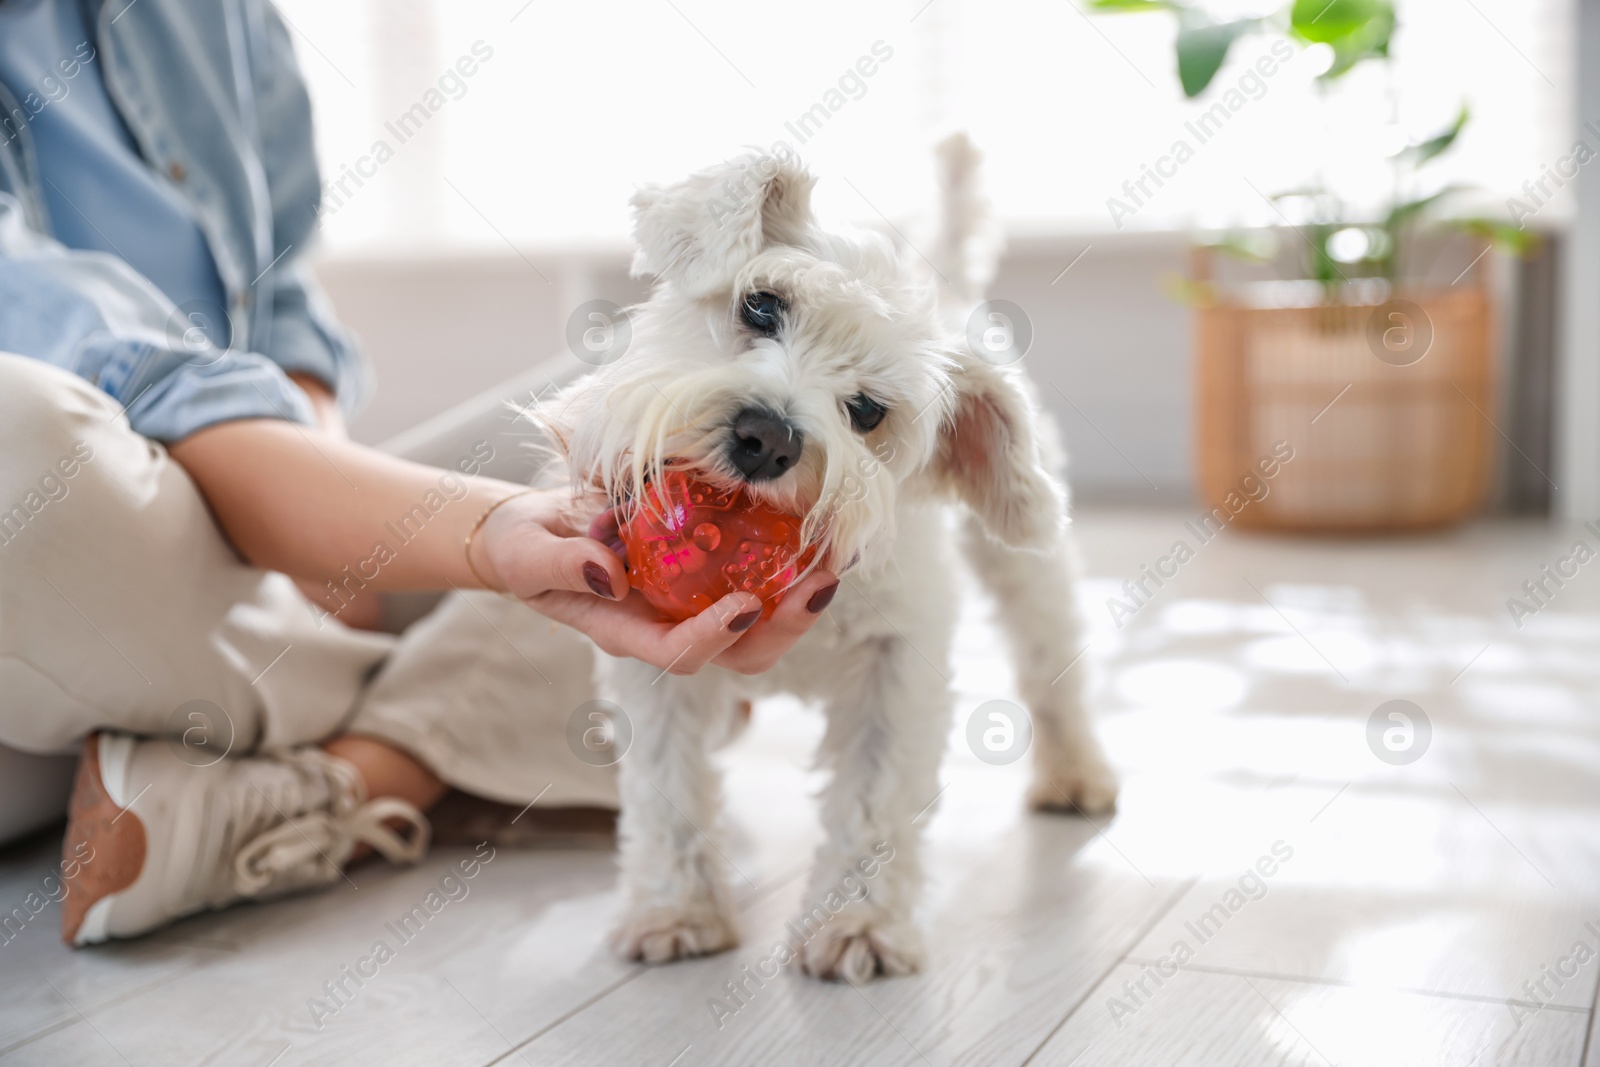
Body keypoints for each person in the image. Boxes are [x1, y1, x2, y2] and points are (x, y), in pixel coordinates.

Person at [0, 0, 838, 945]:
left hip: (255, 515)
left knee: (617, 426)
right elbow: (99, 353)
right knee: (14, 439)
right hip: (97, 529)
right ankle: (402, 743)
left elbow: (278, 310)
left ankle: (317, 778)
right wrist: (463, 540)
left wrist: (330, 514)